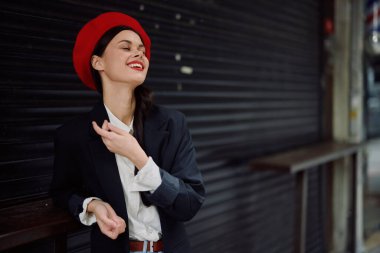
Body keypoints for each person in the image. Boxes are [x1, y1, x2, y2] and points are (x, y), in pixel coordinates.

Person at [50, 12, 205, 253]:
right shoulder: (73, 135)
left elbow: (190, 204)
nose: (139, 53)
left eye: (141, 49)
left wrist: (139, 159)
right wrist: (93, 205)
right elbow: (62, 192)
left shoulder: (173, 123)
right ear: (97, 62)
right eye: (126, 47)